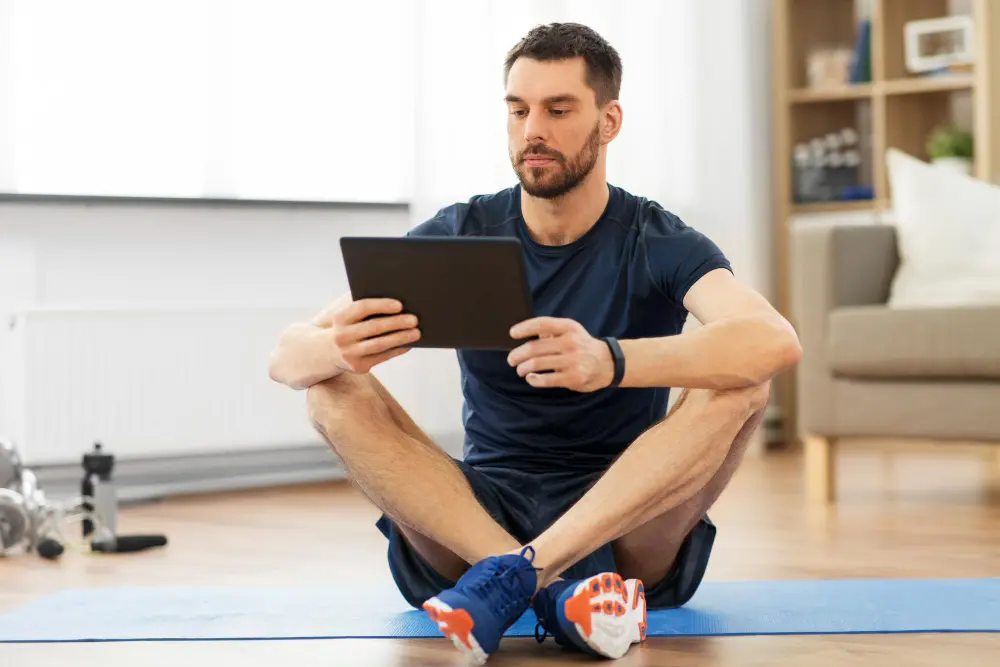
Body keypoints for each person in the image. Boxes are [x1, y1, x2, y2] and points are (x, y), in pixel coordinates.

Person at [268, 22, 801, 663]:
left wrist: (609, 360)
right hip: (473, 515)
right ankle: (533, 580)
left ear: (609, 122)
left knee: (744, 379)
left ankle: (519, 576)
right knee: (332, 390)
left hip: (623, 511)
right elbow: (288, 357)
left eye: (558, 109)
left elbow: (773, 340)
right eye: (518, 110)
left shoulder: (658, 239)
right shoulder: (463, 230)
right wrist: (338, 351)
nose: (532, 131)